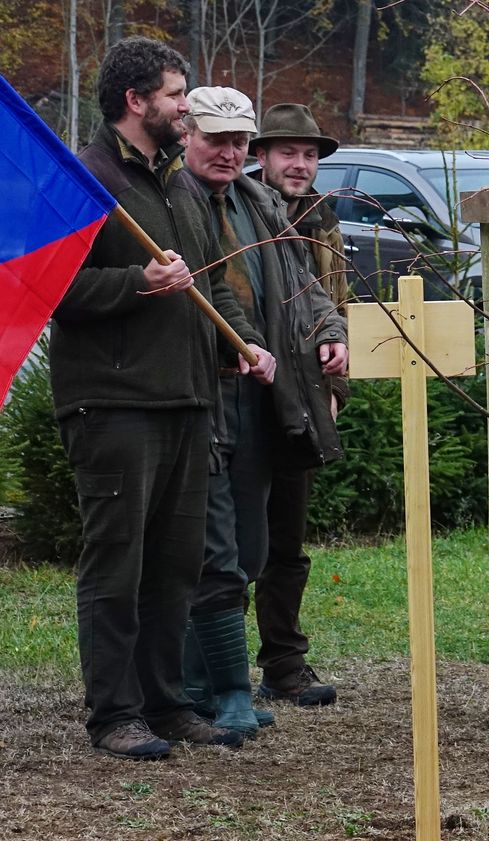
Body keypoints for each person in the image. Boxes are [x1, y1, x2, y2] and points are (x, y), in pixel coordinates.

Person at [51, 38, 274, 759]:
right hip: (113, 404)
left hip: (187, 400)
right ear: (136, 101)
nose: (188, 105)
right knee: (117, 563)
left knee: (176, 566)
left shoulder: (180, 184)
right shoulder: (83, 182)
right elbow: (55, 290)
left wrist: (241, 344)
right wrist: (135, 284)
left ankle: (166, 704)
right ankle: (114, 714)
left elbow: (207, 287)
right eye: (178, 94)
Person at [178, 87, 347, 737]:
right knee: (209, 551)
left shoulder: (262, 205)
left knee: (255, 548)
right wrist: (243, 341)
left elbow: (311, 290)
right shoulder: (179, 200)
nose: (229, 152)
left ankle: (227, 681)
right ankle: (207, 688)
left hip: (267, 396)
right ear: (187, 135)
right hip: (201, 393)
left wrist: (332, 333)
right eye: (217, 139)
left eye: (237, 141)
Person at [249, 102, 350, 708]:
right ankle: (217, 666)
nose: (300, 164)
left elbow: (334, 310)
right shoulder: (233, 211)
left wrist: (334, 390)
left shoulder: (323, 219)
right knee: (232, 539)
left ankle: (285, 663)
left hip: (303, 399)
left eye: (309, 154)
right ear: (262, 156)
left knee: (287, 539)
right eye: (288, 152)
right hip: (244, 391)